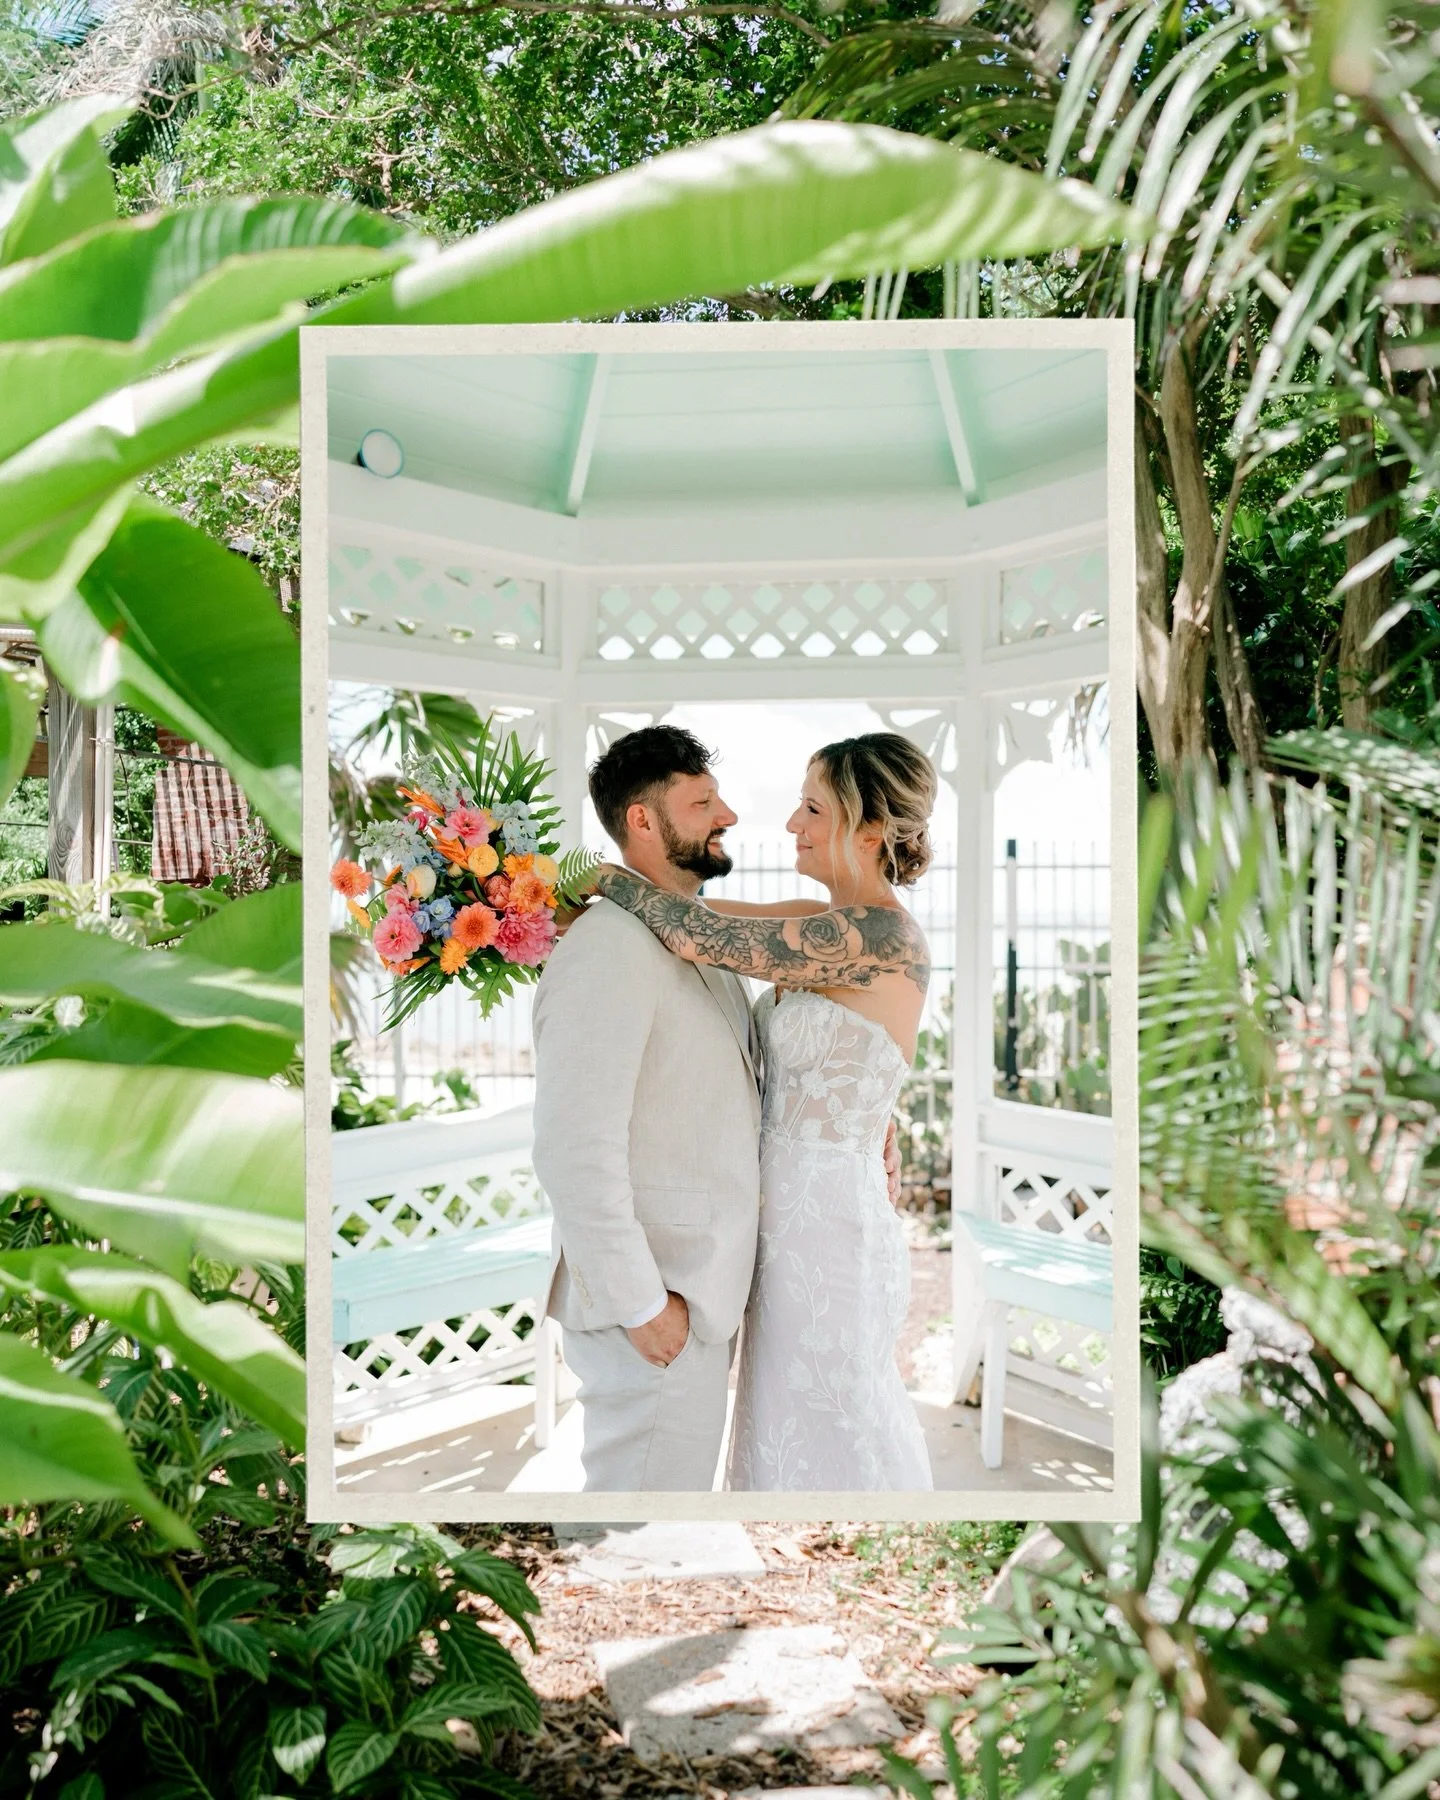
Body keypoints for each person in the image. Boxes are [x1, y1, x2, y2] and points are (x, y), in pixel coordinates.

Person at [531, 725, 904, 1492]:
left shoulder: (862, 933)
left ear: (869, 831)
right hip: (681, 1286)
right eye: (704, 802)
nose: (748, 817)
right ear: (644, 819)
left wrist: (870, 1113)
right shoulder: (648, 941)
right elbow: (574, 1144)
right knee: (641, 1514)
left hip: (804, 1240)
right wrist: (639, 1301)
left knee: (823, 1440)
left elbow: (695, 934)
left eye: (812, 809)